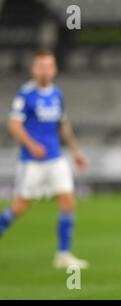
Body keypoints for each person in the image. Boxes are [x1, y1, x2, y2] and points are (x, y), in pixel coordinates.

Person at [0, 49, 88, 269]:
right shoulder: (26, 94)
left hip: (56, 159)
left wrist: (76, 151)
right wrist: (31, 145)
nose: (45, 70)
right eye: (41, 66)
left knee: (68, 202)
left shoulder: (57, 93)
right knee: (19, 207)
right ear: (33, 69)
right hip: (32, 161)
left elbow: (63, 125)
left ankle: (63, 255)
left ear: (55, 68)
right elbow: (14, 125)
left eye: (48, 66)